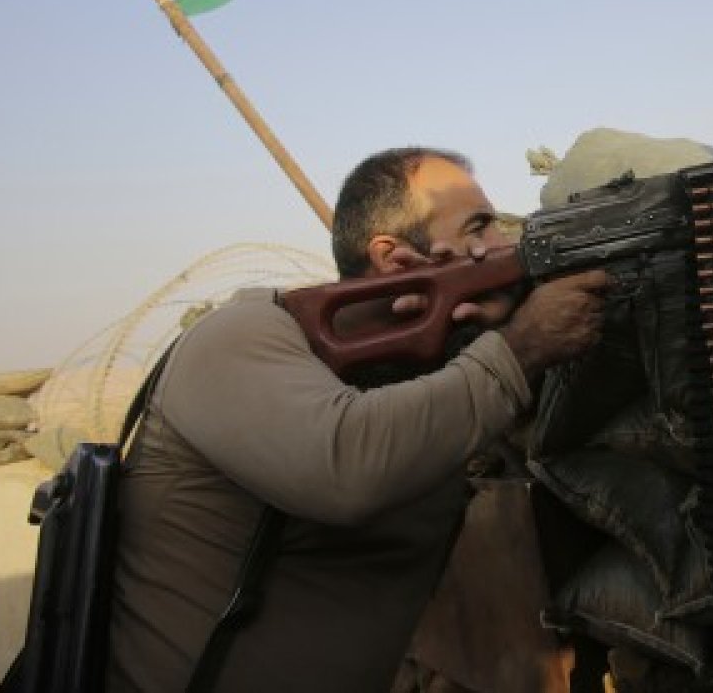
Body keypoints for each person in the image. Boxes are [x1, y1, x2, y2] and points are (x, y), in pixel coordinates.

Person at [105, 147, 609, 692]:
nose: (503, 245)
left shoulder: (409, 372)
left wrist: (496, 331)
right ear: (392, 257)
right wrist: (521, 347)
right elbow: (345, 469)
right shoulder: (238, 337)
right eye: (478, 227)